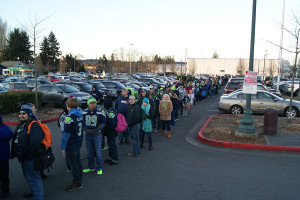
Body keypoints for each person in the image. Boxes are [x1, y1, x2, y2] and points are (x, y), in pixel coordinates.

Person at [11, 104, 44, 199]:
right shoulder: (21, 124)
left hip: (30, 158)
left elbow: (35, 143)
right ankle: (33, 192)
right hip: (23, 158)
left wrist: (28, 156)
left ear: (29, 114)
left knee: (34, 178)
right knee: (29, 177)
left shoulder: (34, 126)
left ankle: (39, 197)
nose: (21, 115)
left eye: (24, 113)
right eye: (20, 113)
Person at [61, 98, 84, 192]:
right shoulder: (80, 115)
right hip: (78, 141)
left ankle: (77, 182)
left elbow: (66, 134)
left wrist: (63, 147)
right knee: (77, 161)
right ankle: (80, 177)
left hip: (71, 143)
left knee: (73, 163)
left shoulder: (69, 118)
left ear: (68, 106)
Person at [82, 97, 106, 175]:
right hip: (88, 135)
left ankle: (99, 168)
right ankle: (90, 167)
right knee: (89, 152)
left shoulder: (100, 112)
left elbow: (103, 122)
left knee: (98, 152)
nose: (93, 105)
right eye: (91, 103)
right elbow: (82, 122)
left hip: (97, 135)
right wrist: (85, 129)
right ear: (88, 104)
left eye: (94, 103)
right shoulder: (84, 112)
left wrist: (97, 129)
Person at [102, 98, 119, 165]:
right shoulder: (109, 110)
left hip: (112, 132)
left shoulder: (111, 112)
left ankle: (115, 159)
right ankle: (110, 157)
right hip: (110, 132)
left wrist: (104, 129)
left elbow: (111, 124)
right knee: (109, 144)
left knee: (112, 145)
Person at [0, 114, 13, 199]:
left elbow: (9, 135)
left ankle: (5, 190)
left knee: (4, 175)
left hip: (2, 157)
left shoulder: (3, 127)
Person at [58, 102, 72, 173]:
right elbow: (64, 129)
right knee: (68, 151)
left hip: (70, 135)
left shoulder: (67, 115)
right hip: (67, 135)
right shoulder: (63, 117)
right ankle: (69, 166)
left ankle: (70, 164)